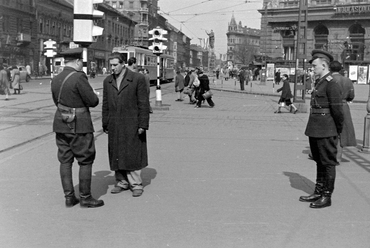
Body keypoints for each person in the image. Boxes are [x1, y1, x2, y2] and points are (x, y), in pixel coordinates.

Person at [50, 48, 104, 208]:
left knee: (65, 160)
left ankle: (69, 198)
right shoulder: (79, 77)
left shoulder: (56, 78)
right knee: (85, 160)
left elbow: (56, 100)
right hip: (79, 125)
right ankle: (85, 197)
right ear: (78, 61)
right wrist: (92, 94)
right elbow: (93, 101)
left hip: (60, 123)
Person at [299, 50, 344, 209]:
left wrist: (337, 129)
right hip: (316, 127)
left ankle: (327, 195)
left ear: (324, 65)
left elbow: (337, 110)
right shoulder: (320, 81)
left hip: (327, 128)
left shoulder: (331, 83)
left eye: (315, 66)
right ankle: (318, 191)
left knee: (328, 162)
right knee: (319, 160)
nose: (313, 69)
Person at [102, 52, 150, 197]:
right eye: (111, 65)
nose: (112, 68)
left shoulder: (137, 79)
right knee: (117, 152)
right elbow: (105, 104)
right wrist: (105, 123)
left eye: (115, 65)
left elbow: (143, 103)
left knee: (132, 153)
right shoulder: (108, 81)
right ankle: (121, 182)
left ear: (123, 64)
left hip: (132, 123)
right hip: (115, 123)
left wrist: (143, 124)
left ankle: (136, 184)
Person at [329, 61, 356, 162]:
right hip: (344, 106)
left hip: (330, 106)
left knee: (330, 131)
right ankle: (338, 157)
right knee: (342, 132)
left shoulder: (328, 79)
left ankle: (330, 156)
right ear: (340, 69)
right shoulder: (347, 80)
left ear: (330, 69)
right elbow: (351, 96)